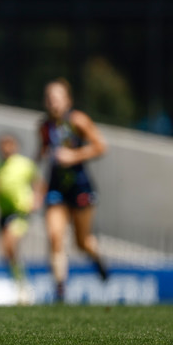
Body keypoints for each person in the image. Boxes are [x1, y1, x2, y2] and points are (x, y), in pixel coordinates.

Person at [37, 78, 108, 303]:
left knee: (82, 242)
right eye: (49, 99)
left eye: (57, 98)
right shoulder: (44, 126)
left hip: (80, 186)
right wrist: (36, 189)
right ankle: (60, 289)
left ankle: (97, 259)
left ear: (68, 100)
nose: (53, 103)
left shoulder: (78, 120)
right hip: (55, 186)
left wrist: (73, 156)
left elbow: (100, 146)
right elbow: (42, 156)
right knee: (55, 236)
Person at [0, 133, 43, 304]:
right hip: (3, 213)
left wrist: (37, 200)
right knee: (7, 252)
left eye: (9, 144)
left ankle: (22, 286)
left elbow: (39, 184)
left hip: (20, 212)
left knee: (9, 243)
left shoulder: (24, 164)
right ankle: (20, 282)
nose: (6, 149)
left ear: (16, 146)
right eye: (3, 145)